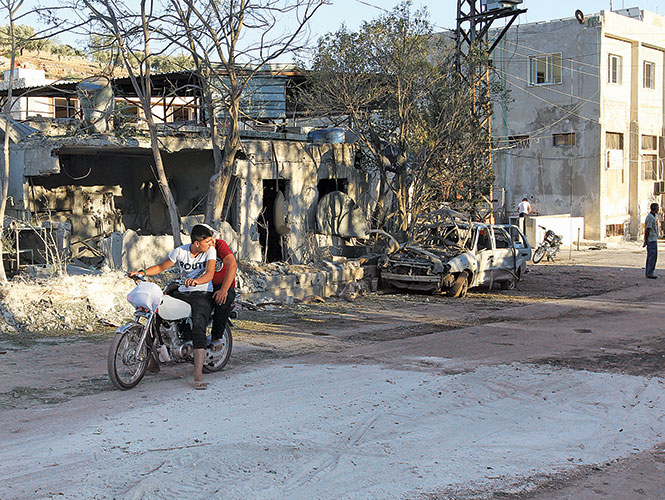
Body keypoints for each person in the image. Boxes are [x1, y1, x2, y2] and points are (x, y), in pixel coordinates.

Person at [129, 224, 217, 389]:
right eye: (208, 241)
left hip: (202, 295)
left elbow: (210, 274)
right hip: (183, 293)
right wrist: (142, 273)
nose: (211, 244)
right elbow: (161, 267)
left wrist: (197, 281)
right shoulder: (180, 251)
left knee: (199, 327)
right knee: (155, 315)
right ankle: (152, 362)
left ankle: (198, 376)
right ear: (197, 243)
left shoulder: (210, 252)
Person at [210, 236, 238, 350]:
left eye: (211, 239)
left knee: (222, 300)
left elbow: (232, 264)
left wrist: (224, 290)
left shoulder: (219, 245)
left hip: (223, 285)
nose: (210, 242)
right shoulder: (196, 249)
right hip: (203, 285)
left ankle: (216, 338)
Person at [643, 202, 659, 279]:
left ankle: (650, 272)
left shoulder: (653, 217)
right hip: (651, 239)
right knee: (652, 257)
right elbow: (647, 229)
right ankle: (649, 273)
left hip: (653, 239)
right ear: (655, 209)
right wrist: (646, 240)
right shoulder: (650, 217)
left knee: (653, 257)